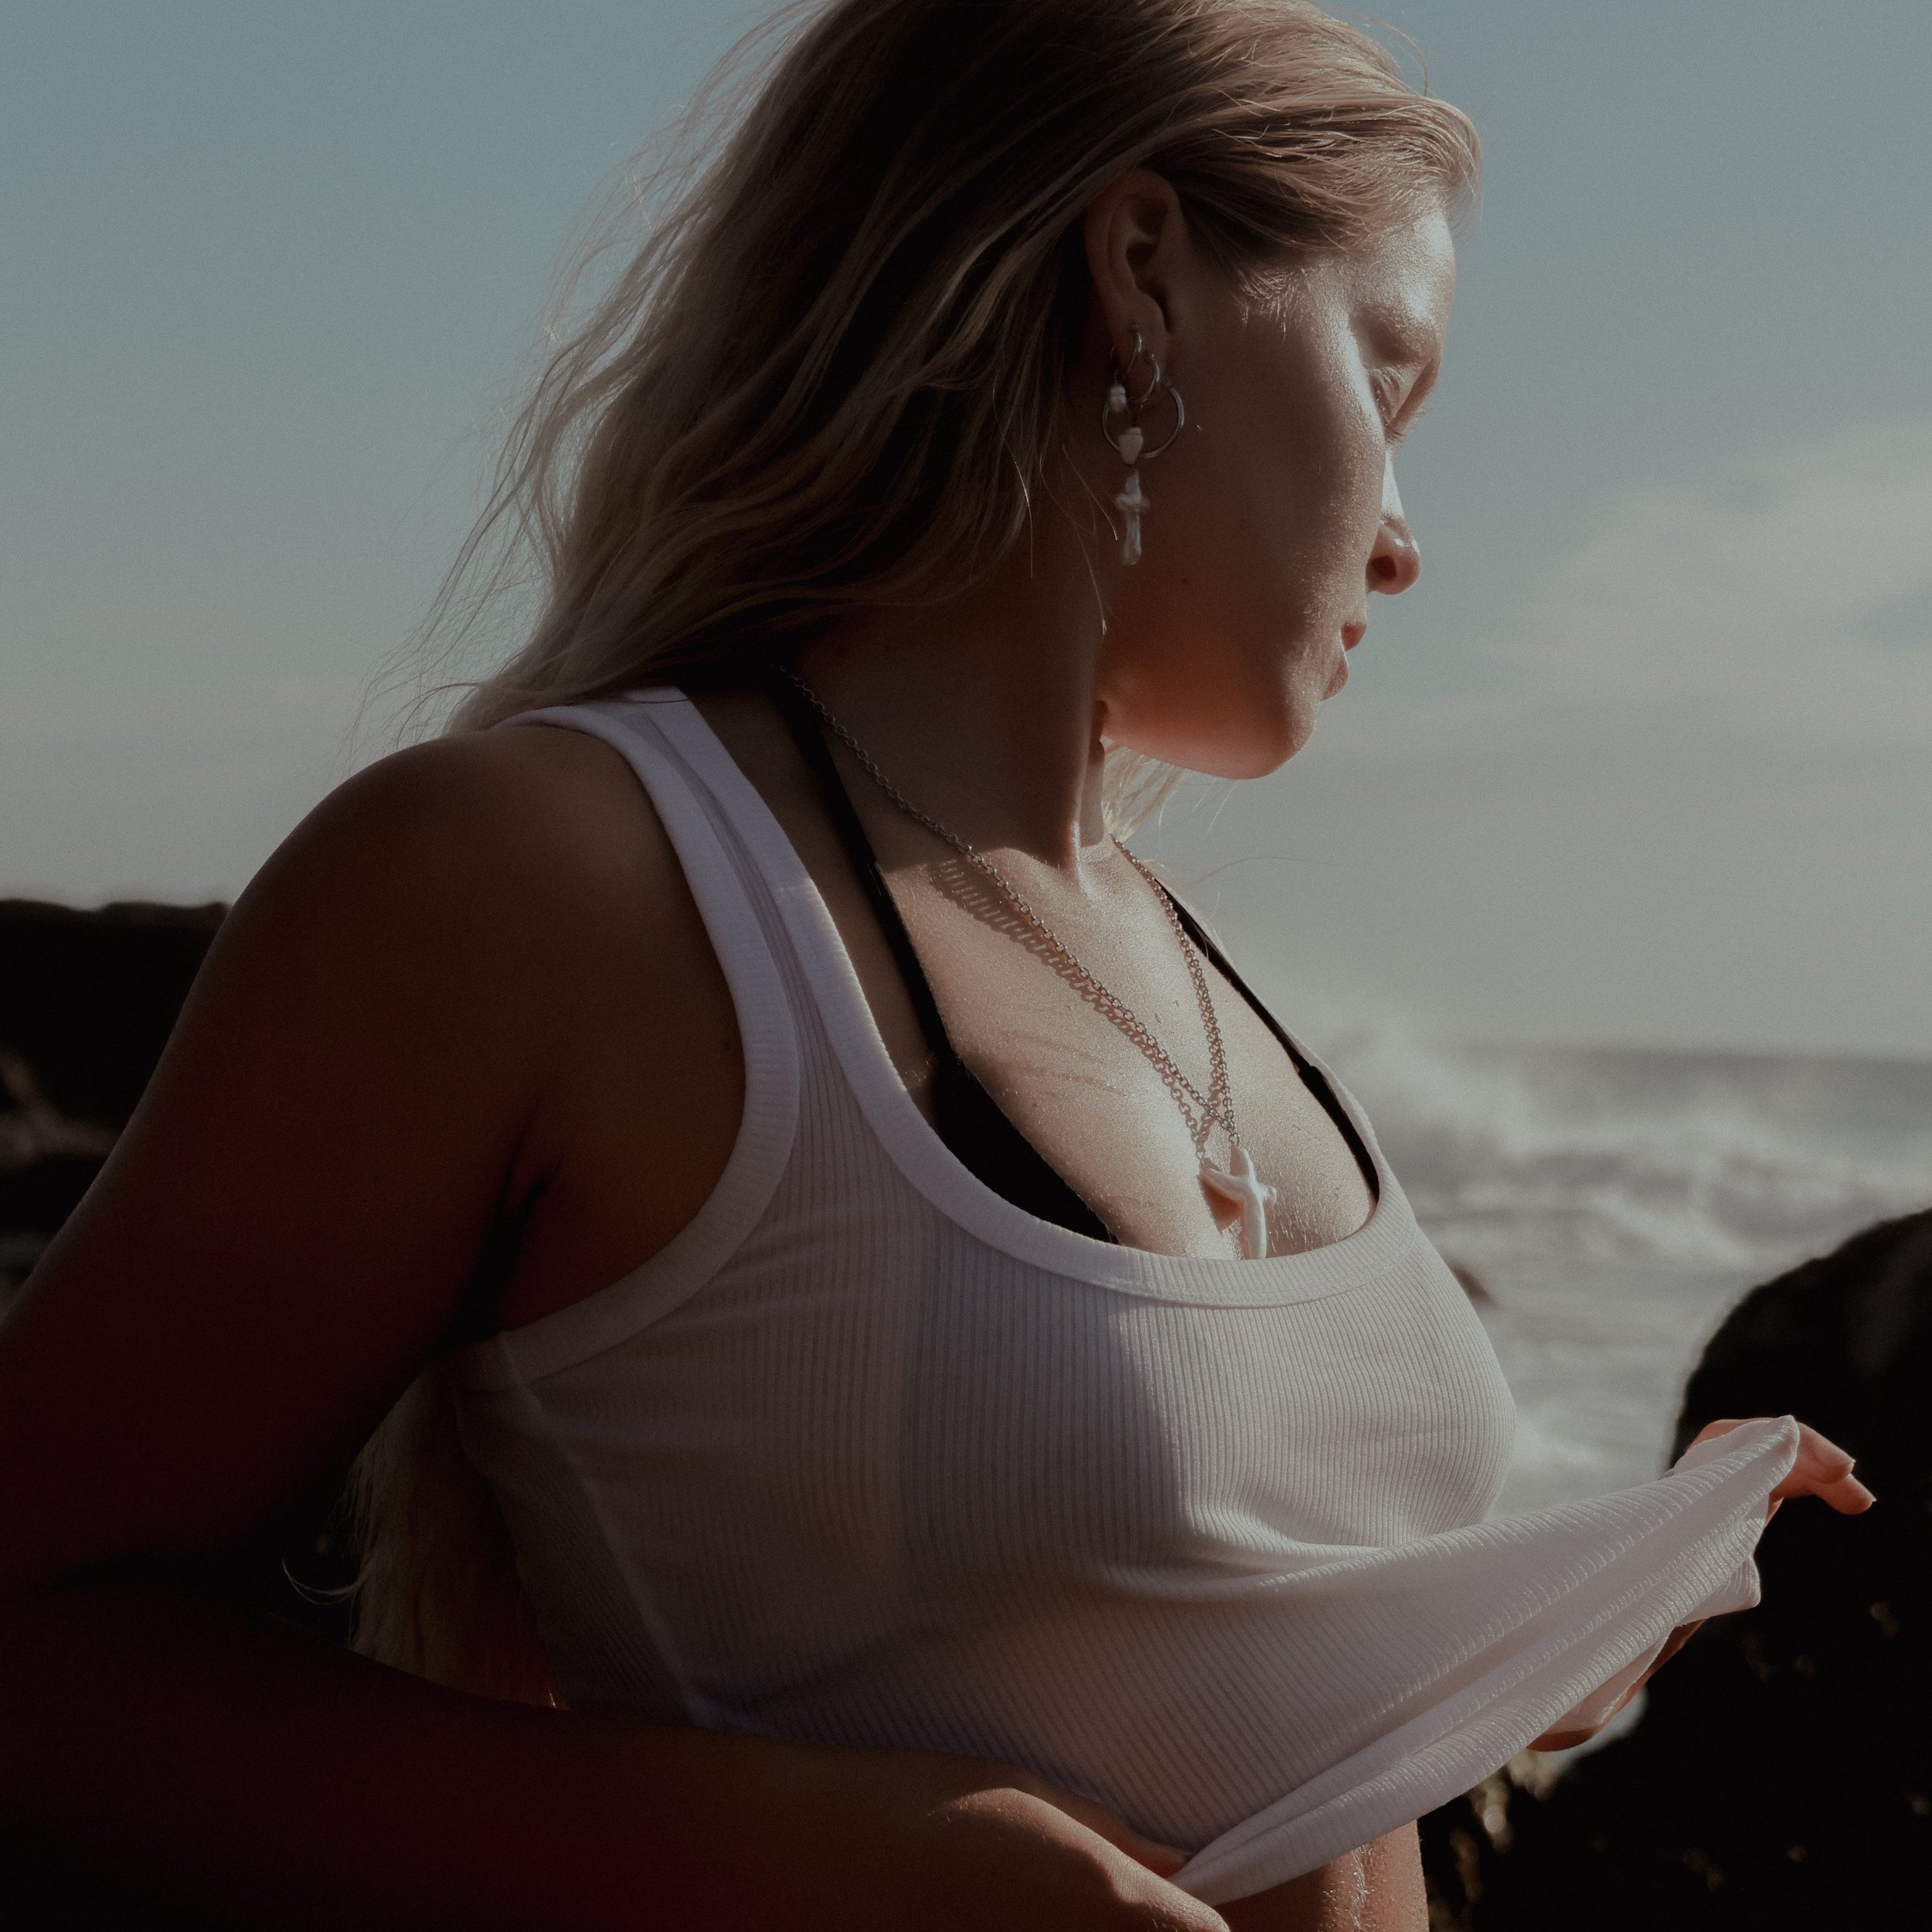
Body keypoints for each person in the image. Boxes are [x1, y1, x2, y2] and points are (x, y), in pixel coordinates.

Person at [0, 3, 1874, 1928]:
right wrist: (826, 1858)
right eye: (1386, 391)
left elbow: (1132, 1638)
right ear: (1138, 272)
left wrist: (1549, 1613)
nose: (1401, 543)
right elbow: (34, 1644)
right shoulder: (550, 877)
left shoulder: (1163, 944)